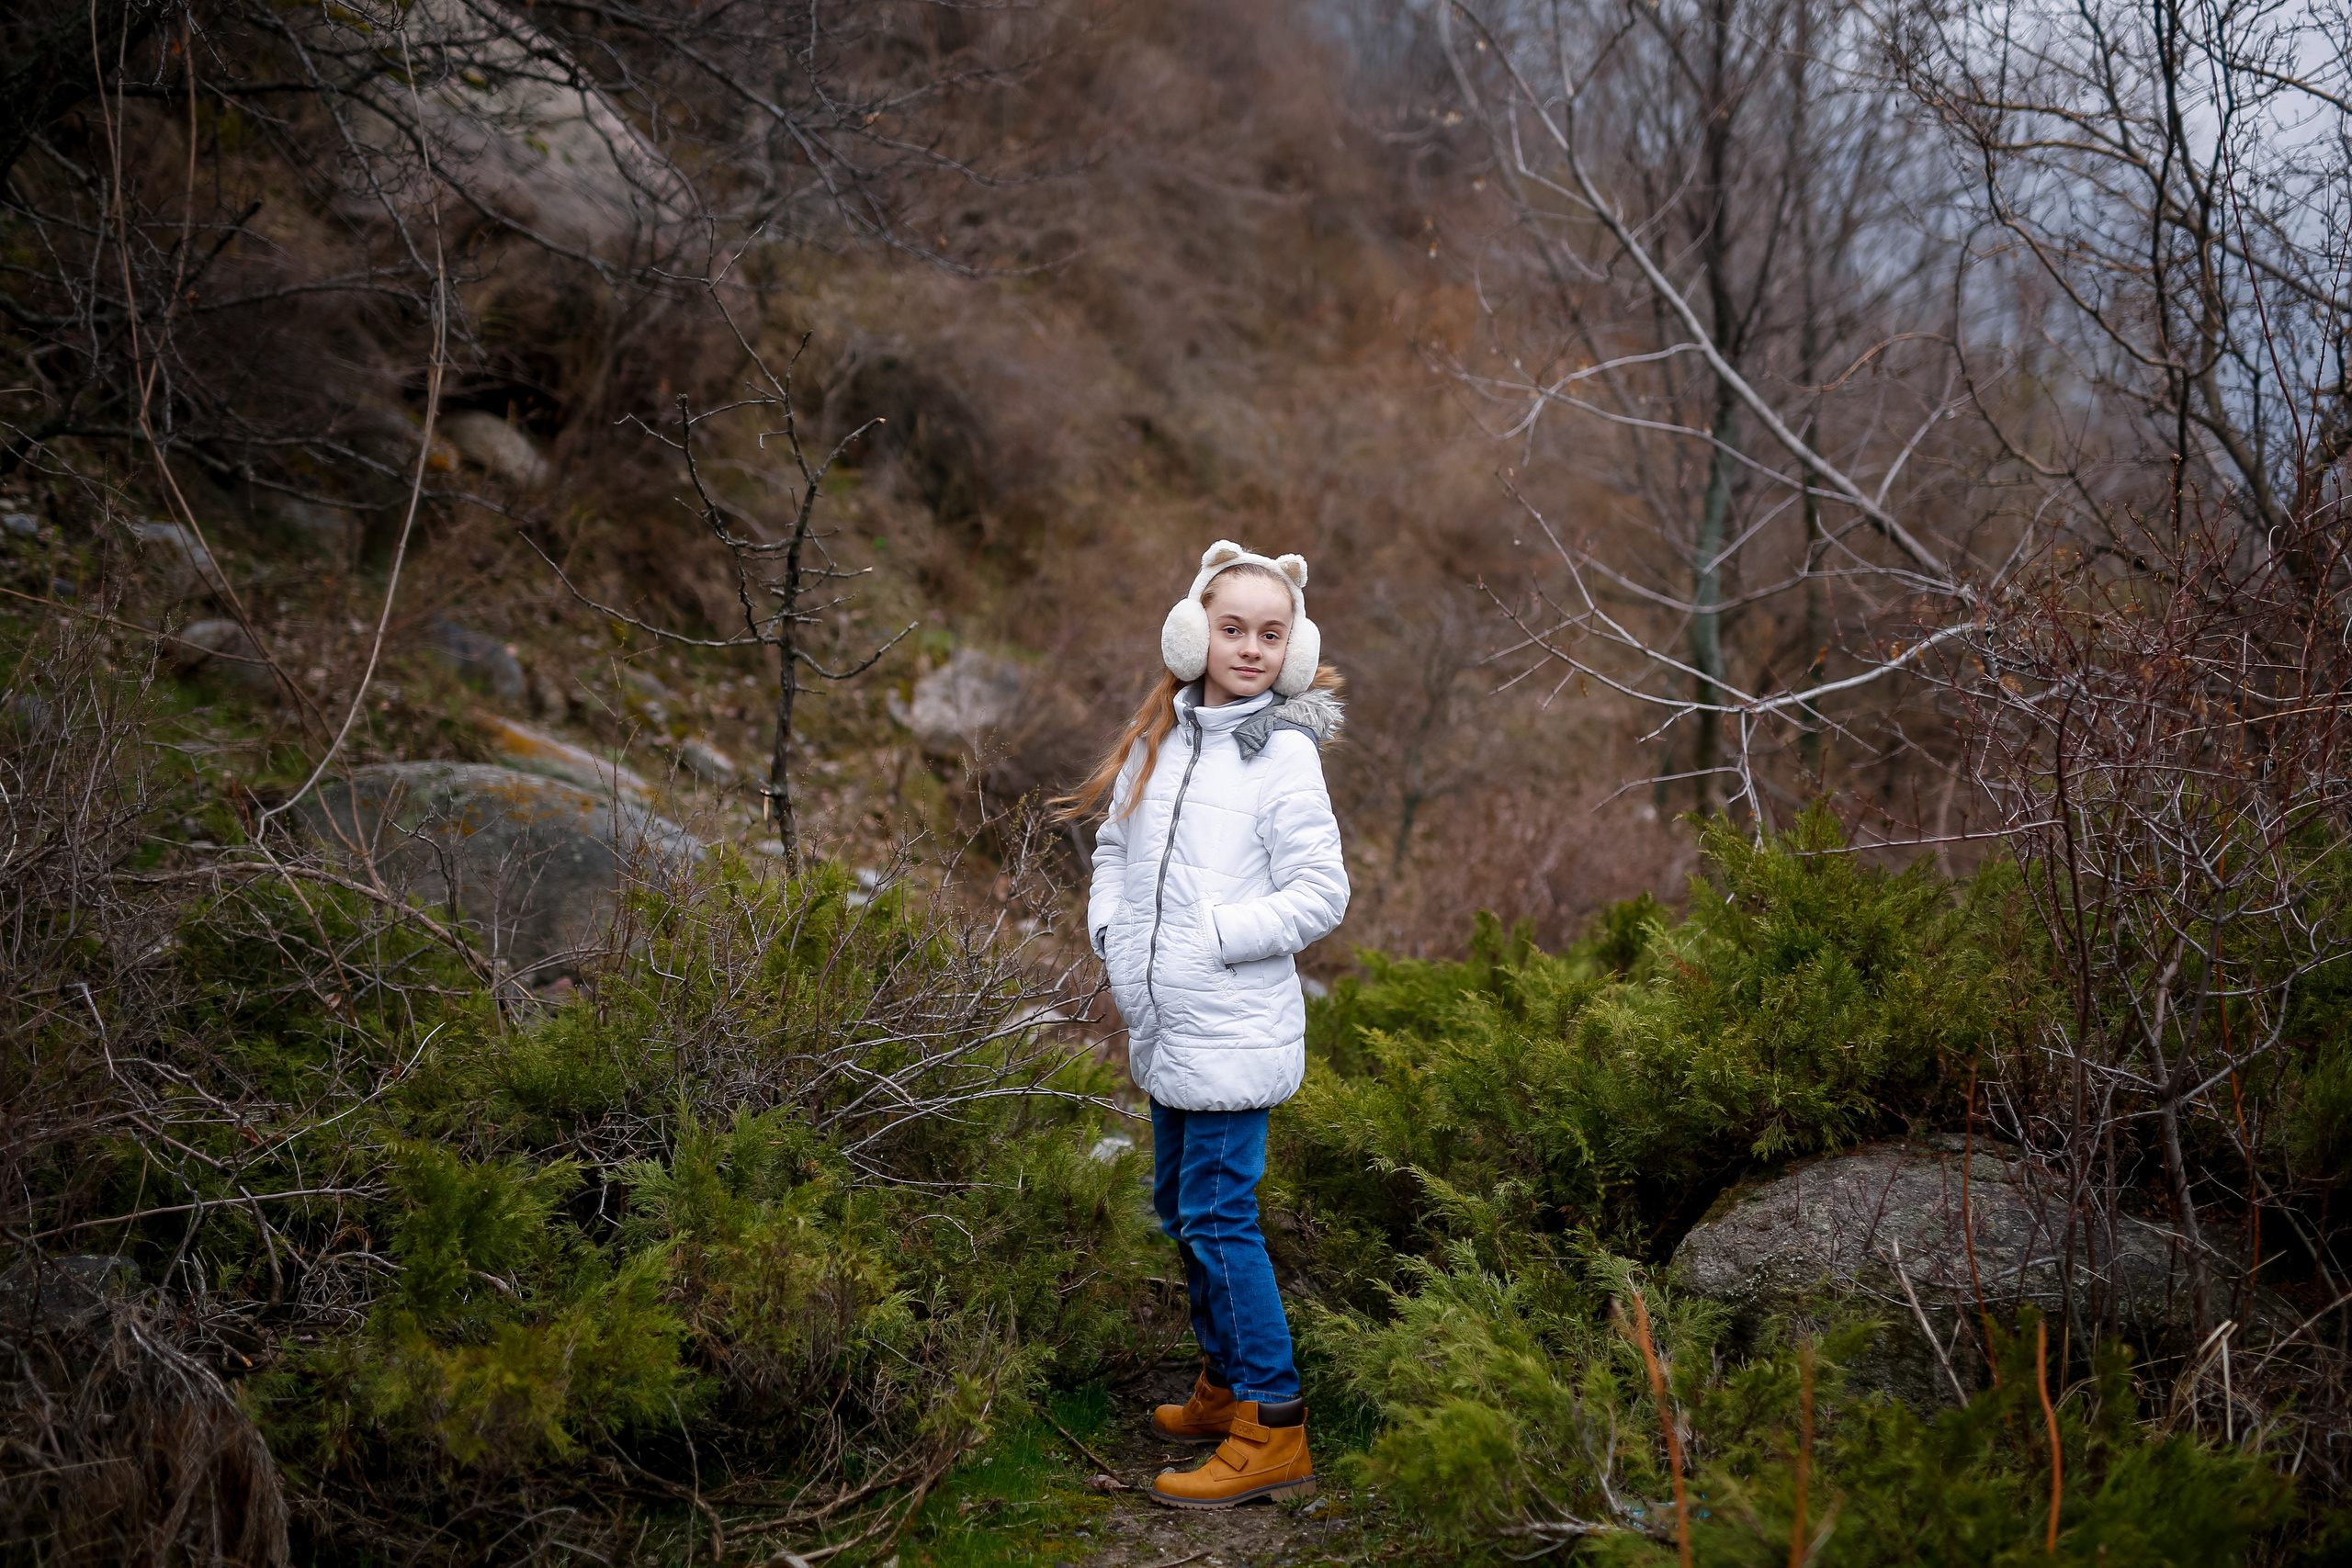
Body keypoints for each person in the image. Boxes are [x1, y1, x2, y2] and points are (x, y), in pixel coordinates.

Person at [1055, 540, 1349, 1509]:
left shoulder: (1284, 755)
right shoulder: (1159, 738)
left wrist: (1212, 937)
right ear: (1194, 633)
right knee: (1181, 1208)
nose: (1251, 648)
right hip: (1165, 1026)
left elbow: (1320, 893)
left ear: (1294, 648)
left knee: (1221, 1219)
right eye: (1233, 629)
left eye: (1271, 634)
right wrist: (1111, 930)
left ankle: (1273, 1423)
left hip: (1230, 1026)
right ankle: (1225, 1384)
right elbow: (1112, 846)